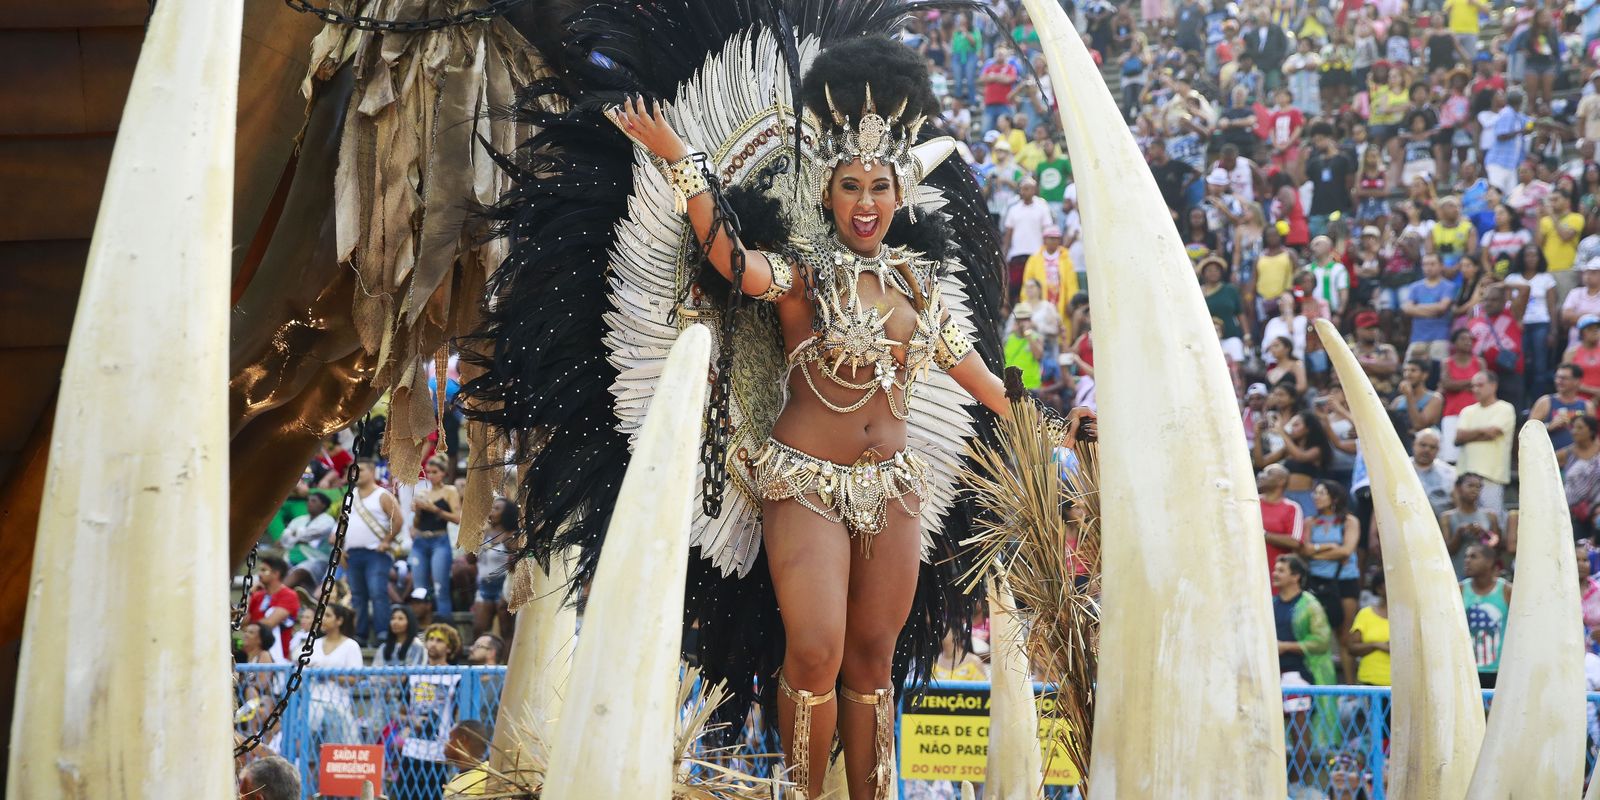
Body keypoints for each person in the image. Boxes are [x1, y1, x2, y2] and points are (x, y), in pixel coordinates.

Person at [600, 36, 1097, 798]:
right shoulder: (804, 276)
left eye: (880, 186)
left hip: (892, 488)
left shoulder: (921, 288)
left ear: (900, 197)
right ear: (828, 192)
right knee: (816, 651)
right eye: (851, 185)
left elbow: (986, 382)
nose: (866, 202)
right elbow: (732, 262)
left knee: (871, 659)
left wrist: (1061, 427)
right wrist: (682, 161)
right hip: (803, 481)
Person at [1300, 480, 1360, 682]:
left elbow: (1346, 551)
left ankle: (1351, 688)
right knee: (1316, 634)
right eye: (1315, 493)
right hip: (1317, 581)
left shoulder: (1349, 521)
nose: (1316, 497)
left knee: (1344, 636)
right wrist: (1330, 547)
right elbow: (1305, 550)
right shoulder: (1310, 522)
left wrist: (1316, 551)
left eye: (1322, 493)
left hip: (1344, 581)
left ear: (1334, 498)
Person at [397, 623, 463, 800]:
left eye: (440, 641)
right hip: (412, 749)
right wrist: (411, 720)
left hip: (438, 752)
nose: (433, 644)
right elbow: (400, 712)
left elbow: (459, 715)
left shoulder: (457, 676)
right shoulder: (414, 674)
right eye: (431, 639)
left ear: (449, 648)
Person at [346, 459, 402, 644]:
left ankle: (382, 632)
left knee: (378, 592)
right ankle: (360, 634)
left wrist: (386, 541)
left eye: (361, 470)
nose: (357, 473)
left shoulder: (382, 495)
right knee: (357, 595)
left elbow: (398, 520)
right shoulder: (349, 496)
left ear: (371, 472)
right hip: (352, 553)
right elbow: (342, 524)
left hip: (376, 553)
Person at [1455, 372, 1516, 519]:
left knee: (1492, 521)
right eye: (1473, 386)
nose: (1475, 389)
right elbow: (1458, 437)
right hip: (1466, 475)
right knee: (1465, 520)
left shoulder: (1505, 408)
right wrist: (1483, 431)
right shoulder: (1467, 411)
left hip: (1491, 476)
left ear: (1493, 386)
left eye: (1480, 385)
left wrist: (1469, 435)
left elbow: (1493, 432)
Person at [409, 455, 462, 621]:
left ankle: (444, 623)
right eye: (429, 472)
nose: (431, 475)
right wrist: (418, 511)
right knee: (419, 589)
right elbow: (417, 524)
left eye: (435, 472)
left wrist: (434, 509)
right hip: (421, 540)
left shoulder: (450, 491)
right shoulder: (423, 492)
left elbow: (458, 518)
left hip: (439, 539)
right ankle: (419, 625)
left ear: (443, 473)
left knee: (440, 586)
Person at [1503, 242, 1557, 398]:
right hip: (1518, 325)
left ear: (1540, 258)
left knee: (1540, 365)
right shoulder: (1512, 278)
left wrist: (1553, 331)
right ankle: (1522, 399)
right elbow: (1508, 306)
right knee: (1520, 365)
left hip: (1541, 323)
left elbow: (1552, 307)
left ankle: (1537, 400)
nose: (1531, 259)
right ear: (1521, 257)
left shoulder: (1546, 278)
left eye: (1535, 255)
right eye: (1528, 255)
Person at [306, 605, 363, 753]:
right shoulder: (314, 643)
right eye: (321, 615)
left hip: (339, 704)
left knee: (335, 751)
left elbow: (354, 679)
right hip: (312, 702)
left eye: (328, 616)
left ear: (339, 621)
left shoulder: (351, 646)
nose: (322, 619)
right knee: (308, 750)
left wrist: (329, 675)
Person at [1461, 543, 1512, 689]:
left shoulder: (1507, 591)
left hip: (1500, 670)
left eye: (1473, 556)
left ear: (1489, 562)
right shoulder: (1460, 589)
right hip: (1468, 670)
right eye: (1466, 556)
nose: (1467, 560)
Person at [471, 497, 517, 641]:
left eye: (497, 509)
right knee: (479, 628)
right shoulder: (484, 533)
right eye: (492, 508)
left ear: (507, 513)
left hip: (503, 584)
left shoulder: (511, 536)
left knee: (506, 631)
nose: (492, 511)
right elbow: (470, 560)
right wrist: (474, 538)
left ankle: (505, 662)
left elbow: (518, 560)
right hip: (484, 584)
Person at [1443, 473, 1503, 580]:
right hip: (1455, 574)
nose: (1474, 490)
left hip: (1483, 576)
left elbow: (1497, 549)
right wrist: (1459, 533)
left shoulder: (1490, 515)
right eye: (1470, 486)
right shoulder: (1447, 517)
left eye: (1478, 487)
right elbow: (1446, 551)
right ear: (1458, 488)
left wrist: (1483, 534)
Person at [1003, 178, 1054, 303]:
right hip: (1017, 254)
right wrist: (1004, 253)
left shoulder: (1042, 207)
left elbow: (1048, 230)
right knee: (1016, 287)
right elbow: (1008, 234)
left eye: (1026, 189)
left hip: (1036, 254)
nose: (1023, 192)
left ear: (1034, 190)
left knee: (1036, 286)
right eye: (1021, 189)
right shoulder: (1014, 209)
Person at [1403, 253, 1456, 362]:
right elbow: (1407, 309)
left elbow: (1442, 307)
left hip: (1440, 337)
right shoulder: (1415, 287)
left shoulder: (1449, 286)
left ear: (1441, 266)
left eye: (1432, 264)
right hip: (1417, 338)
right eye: (1425, 264)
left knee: (1438, 371)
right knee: (1410, 368)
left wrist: (1416, 308)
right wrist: (1434, 312)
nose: (1428, 267)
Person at [247, 555, 300, 663]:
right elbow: (242, 622)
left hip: (278, 659)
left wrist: (250, 626)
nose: (259, 574)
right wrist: (250, 594)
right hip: (252, 656)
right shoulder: (257, 595)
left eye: (264, 570)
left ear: (276, 574)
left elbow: (269, 623)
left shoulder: (289, 595)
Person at [1259, 463, 1306, 584]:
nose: (1260, 475)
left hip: (1276, 576)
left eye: (1268, 473)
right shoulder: (1251, 503)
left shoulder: (1292, 508)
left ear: (1281, 481)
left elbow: (1295, 541)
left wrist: (1262, 534)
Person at [1531, 364, 1594, 452]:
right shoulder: (1545, 402)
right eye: (1557, 377)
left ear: (1577, 381)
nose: (1559, 381)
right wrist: (1549, 426)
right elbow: (1528, 432)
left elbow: (1593, 436)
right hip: (1549, 458)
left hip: (1577, 460)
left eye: (1564, 378)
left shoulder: (1587, 406)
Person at [1559, 415, 1600, 541]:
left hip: (1597, 510)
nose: (1574, 431)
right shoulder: (1566, 453)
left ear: (1591, 430)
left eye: (1580, 427)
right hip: (1573, 512)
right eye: (1573, 427)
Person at [1347, 571, 1391, 687]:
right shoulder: (1365, 614)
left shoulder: (1408, 616)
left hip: (1402, 685)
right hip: (1370, 683)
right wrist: (1376, 645)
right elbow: (1351, 648)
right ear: (1379, 588)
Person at [1539, 189, 1586, 296]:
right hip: (1546, 270)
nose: (1552, 203)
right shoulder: (1545, 220)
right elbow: (1538, 244)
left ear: (1567, 201)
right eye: (1550, 200)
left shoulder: (1576, 217)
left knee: (1564, 304)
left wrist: (1551, 215)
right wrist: (1539, 218)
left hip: (1567, 270)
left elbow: (1565, 236)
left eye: (1555, 199)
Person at [1390, 359, 1444, 440]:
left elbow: (1419, 425)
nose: (1408, 374)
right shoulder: (1397, 401)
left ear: (1424, 375)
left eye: (1413, 370)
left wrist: (1409, 396)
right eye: (1405, 370)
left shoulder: (1435, 398)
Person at [280, 491, 337, 567]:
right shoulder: (299, 519)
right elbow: (285, 536)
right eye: (308, 500)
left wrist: (295, 534)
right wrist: (300, 537)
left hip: (317, 559)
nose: (309, 503)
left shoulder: (328, 520)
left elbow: (315, 533)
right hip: (292, 556)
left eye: (313, 501)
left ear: (323, 505)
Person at [1412, 428, 1459, 518]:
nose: (1427, 450)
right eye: (1423, 445)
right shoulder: (1402, 468)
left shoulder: (1449, 473)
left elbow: (1458, 506)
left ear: (1438, 450)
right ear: (1414, 445)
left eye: (1432, 447)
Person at [442, 720, 494, 797]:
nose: (446, 743)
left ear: (462, 740)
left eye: (450, 738)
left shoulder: (488, 775)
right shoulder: (453, 782)